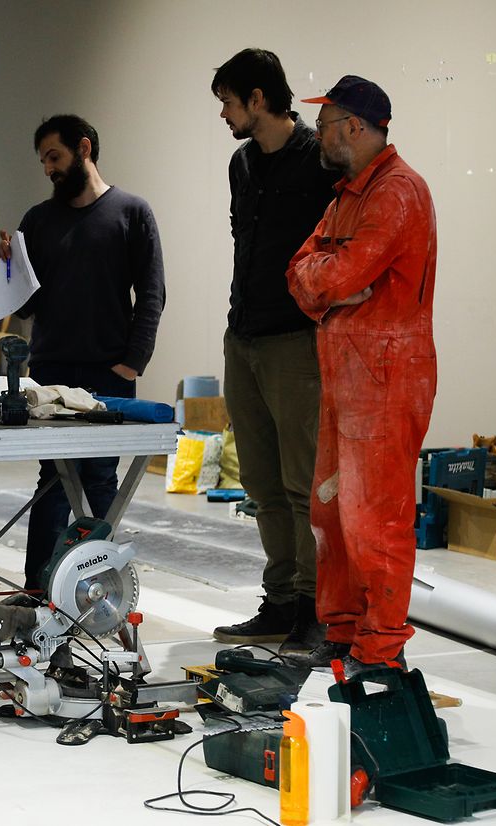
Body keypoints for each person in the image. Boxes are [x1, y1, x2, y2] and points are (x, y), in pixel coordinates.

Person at [283, 75, 437, 679]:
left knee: (375, 519)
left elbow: (335, 277)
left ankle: (380, 648)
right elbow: (303, 272)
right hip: (345, 371)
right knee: (331, 514)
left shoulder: (397, 193)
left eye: (323, 124)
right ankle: (344, 632)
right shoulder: (347, 194)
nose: (317, 133)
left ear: (353, 127)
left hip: (387, 375)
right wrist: (332, 285)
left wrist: (331, 284)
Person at [0, 114, 166, 592]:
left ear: (84, 149)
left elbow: (151, 292)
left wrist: (133, 361)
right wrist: (6, 269)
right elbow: (28, 303)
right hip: (50, 369)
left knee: (98, 478)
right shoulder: (38, 219)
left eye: (55, 157)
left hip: (108, 370)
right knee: (52, 478)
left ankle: (101, 588)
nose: (48, 168)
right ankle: (38, 587)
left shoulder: (132, 212)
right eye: (43, 161)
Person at [209, 49, 340, 656]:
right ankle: (281, 600)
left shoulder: (319, 160)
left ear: (258, 99)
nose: (225, 115)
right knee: (260, 484)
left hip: (297, 340)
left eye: (229, 103)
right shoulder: (241, 164)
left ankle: (316, 610)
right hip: (245, 337)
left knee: (302, 483)